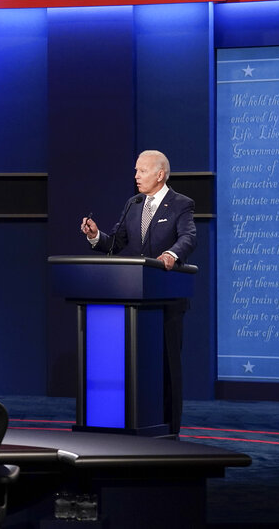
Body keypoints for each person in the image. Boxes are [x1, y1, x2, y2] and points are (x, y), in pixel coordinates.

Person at [79, 149, 196, 435]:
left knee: (167, 367)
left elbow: (189, 237)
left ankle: (171, 428)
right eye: (135, 171)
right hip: (136, 301)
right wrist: (95, 235)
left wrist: (171, 254)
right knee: (136, 367)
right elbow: (116, 244)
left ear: (160, 174)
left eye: (141, 171)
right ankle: (138, 424)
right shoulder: (134, 204)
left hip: (166, 299)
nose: (136, 176)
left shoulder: (181, 204)